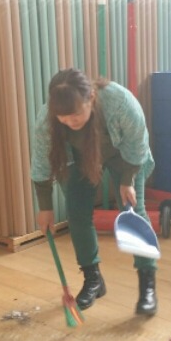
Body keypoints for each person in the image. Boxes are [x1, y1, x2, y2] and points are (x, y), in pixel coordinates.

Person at [31, 68, 158, 315]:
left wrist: (127, 180)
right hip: (79, 158)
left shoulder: (119, 101)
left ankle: (147, 286)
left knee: (133, 212)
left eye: (76, 114)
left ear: (91, 97)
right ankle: (93, 280)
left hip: (124, 156)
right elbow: (41, 163)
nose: (70, 122)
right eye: (63, 117)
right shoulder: (47, 120)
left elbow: (137, 141)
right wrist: (45, 207)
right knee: (77, 213)